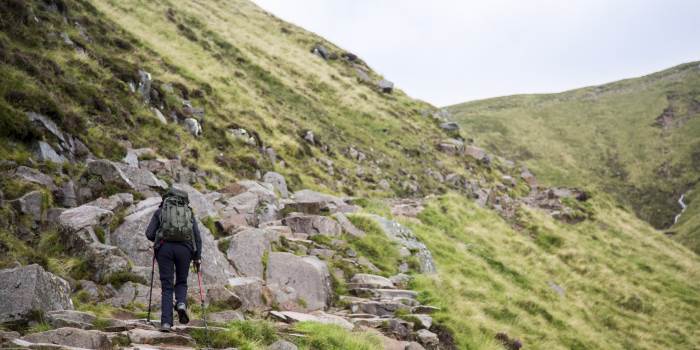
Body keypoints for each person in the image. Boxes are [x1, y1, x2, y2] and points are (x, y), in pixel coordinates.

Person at [145, 187, 202, 332]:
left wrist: (159, 237)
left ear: (166, 198)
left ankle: (166, 323)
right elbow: (197, 237)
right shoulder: (188, 212)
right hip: (185, 250)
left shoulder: (161, 211)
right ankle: (181, 303)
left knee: (167, 286)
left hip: (165, 249)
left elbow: (149, 234)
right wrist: (197, 258)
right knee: (182, 281)